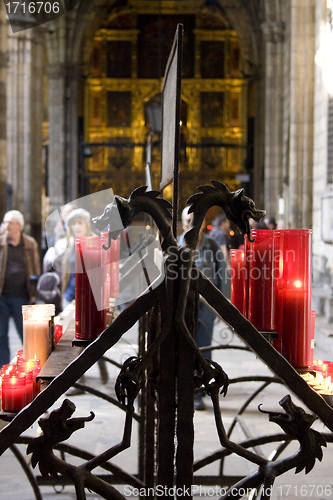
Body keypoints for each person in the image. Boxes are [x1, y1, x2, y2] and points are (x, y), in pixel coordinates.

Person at [178, 207, 230, 410]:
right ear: (183, 224)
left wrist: (223, 306)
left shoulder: (213, 245)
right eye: (188, 221)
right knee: (183, 348)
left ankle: (198, 391)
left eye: (195, 220)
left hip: (206, 307)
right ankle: (183, 387)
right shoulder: (177, 244)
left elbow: (223, 275)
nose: (192, 225)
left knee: (203, 349)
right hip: (183, 306)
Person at [0, 210, 40, 368]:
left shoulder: (30, 243)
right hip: (2, 296)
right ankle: (3, 368)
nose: (6, 226)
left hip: (22, 296)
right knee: (1, 334)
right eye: (5, 222)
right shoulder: (1, 242)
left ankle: (30, 366)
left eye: (10, 222)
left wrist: (34, 294)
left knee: (26, 334)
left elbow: (36, 269)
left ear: (20, 226)